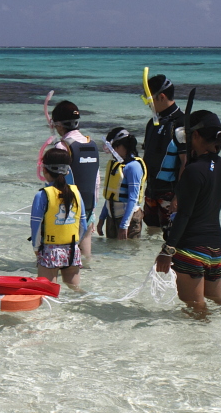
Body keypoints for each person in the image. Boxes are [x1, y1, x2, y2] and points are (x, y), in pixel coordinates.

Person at [154, 110, 221, 317]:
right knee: (217, 301)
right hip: (216, 249)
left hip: (192, 248)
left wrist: (167, 250)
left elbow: (185, 215)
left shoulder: (193, 170)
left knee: (195, 306)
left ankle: (201, 347)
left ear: (196, 136)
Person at [50, 101, 101, 265]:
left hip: (67, 210)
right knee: (85, 260)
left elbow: (55, 181)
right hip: (88, 206)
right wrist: (93, 208)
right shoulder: (91, 144)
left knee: (61, 259)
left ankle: (67, 289)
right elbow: (96, 180)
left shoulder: (61, 146)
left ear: (58, 125)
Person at [31, 148, 84, 291]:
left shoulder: (42, 196)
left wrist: (36, 249)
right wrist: (75, 245)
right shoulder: (76, 192)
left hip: (50, 251)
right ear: (67, 171)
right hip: (72, 250)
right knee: (76, 291)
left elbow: (35, 229)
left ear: (44, 170)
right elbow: (83, 225)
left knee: (46, 293)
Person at [142, 74, 186, 234]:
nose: (147, 104)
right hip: (151, 189)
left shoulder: (180, 124)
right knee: (151, 232)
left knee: (169, 236)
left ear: (161, 97)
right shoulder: (153, 123)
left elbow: (185, 163)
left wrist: (178, 197)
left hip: (169, 192)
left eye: (148, 99)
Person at [97, 127, 147, 240]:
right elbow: (111, 195)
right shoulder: (116, 165)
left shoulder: (133, 167)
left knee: (128, 254)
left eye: (113, 147)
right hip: (112, 217)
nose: (111, 152)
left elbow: (133, 199)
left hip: (128, 220)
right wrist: (101, 219)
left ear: (121, 146)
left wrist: (124, 225)